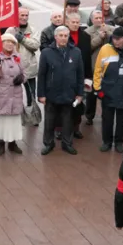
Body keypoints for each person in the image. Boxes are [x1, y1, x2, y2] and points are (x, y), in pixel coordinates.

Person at [38, 26, 84, 155]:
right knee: (49, 121)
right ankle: (48, 143)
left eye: (66, 36)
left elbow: (80, 74)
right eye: (61, 36)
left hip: (69, 93)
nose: (63, 38)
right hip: (51, 93)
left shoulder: (76, 52)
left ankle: (67, 143)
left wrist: (80, 93)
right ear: (55, 37)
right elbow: (41, 75)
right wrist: (41, 94)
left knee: (68, 120)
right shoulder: (47, 52)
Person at [0, 33, 26, 156]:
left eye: (12, 42)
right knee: (1, 121)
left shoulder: (18, 57)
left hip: (15, 95)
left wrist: (22, 78)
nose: (10, 44)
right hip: (1, 95)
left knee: (13, 121)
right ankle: (1, 144)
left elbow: (25, 73)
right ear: (1, 43)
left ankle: (13, 143)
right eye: (6, 42)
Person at [7, 7, 40, 110]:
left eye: (26, 15)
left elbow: (35, 45)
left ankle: (32, 114)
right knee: (14, 93)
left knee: (31, 94)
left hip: (29, 67)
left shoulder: (33, 30)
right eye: (22, 15)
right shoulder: (10, 30)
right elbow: (4, 46)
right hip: (14, 67)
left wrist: (23, 39)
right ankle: (16, 113)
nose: (24, 18)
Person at [85, 10, 114, 124]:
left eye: (100, 18)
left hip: (109, 66)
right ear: (92, 20)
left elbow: (117, 41)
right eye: (96, 18)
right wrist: (99, 37)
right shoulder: (87, 32)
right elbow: (88, 47)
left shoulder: (111, 28)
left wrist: (108, 33)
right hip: (94, 66)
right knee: (91, 94)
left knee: (106, 93)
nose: (98, 20)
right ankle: (89, 116)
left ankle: (106, 114)